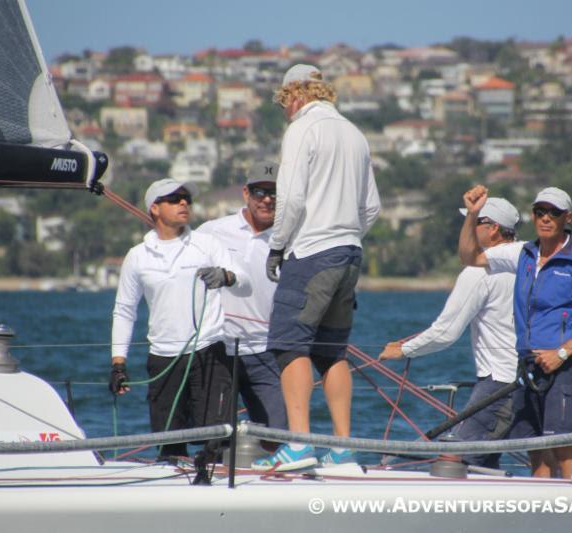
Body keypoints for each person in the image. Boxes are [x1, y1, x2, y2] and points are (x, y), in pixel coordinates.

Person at [252, 64, 381, 471]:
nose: (285, 111)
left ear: (296, 96)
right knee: (332, 352)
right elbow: (372, 207)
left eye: (284, 103)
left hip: (311, 252)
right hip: (349, 253)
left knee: (290, 345)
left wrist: (277, 247)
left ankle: (300, 445)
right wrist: (347, 232)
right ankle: (343, 448)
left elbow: (290, 200)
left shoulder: (302, 130)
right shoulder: (355, 134)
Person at [458, 185, 572, 479]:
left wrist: (562, 353)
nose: (545, 218)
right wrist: (473, 215)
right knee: (535, 448)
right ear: (533, 215)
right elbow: (470, 257)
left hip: (564, 368)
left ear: (567, 217)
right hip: (527, 365)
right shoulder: (523, 253)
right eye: (540, 211)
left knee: (563, 446)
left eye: (553, 213)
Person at [109, 178, 248, 460]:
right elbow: (124, 310)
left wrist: (226, 276)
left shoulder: (207, 244)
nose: (184, 203)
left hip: (209, 351)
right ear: (155, 209)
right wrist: (118, 364)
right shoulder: (137, 257)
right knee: (169, 445)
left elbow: (244, 282)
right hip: (163, 357)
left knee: (216, 439)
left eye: (187, 198)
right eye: (174, 199)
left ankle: (216, 493)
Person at [379, 198, 520, 470]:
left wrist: (403, 350)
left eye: (472, 222)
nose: (466, 230)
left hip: (499, 384)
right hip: (530, 381)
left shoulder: (479, 270)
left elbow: (446, 332)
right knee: (488, 463)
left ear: (492, 229)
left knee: (455, 458)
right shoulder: (529, 263)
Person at [197, 161, 287, 431]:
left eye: (276, 194)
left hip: (267, 352)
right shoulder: (211, 231)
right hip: (218, 348)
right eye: (260, 192)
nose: (268, 200)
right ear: (246, 194)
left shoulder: (290, 239)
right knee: (214, 433)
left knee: (279, 432)